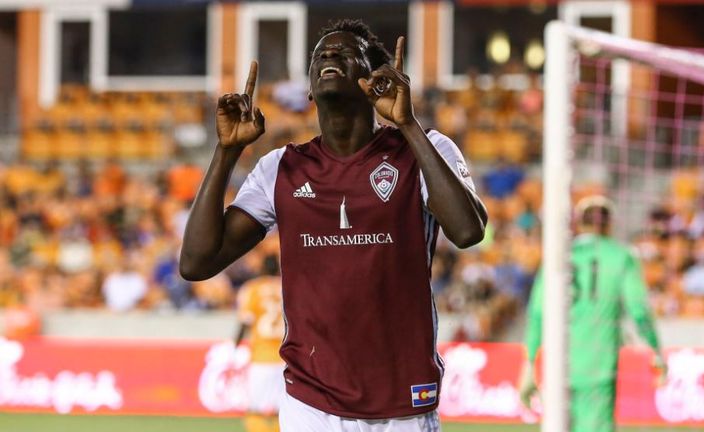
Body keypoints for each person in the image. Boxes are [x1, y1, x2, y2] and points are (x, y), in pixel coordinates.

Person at [180, 19, 487, 432]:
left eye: (345, 53)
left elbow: (468, 232)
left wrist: (408, 124)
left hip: (402, 403)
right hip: (311, 403)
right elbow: (196, 263)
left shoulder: (424, 149)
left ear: (371, 80)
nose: (328, 55)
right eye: (320, 54)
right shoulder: (280, 169)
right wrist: (226, 152)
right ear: (309, 89)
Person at [519, 195, 664, 432]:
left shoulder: (558, 257)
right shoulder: (622, 256)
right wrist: (656, 351)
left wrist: (528, 366)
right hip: (598, 369)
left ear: (579, 224)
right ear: (609, 225)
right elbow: (639, 311)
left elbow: (537, 314)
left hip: (557, 367)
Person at [235, 253, 284, 432]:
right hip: (286, 357)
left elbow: (245, 321)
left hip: (262, 357)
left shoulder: (252, 288)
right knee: (283, 409)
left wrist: (235, 345)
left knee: (255, 409)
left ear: (262, 268)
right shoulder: (287, 286)